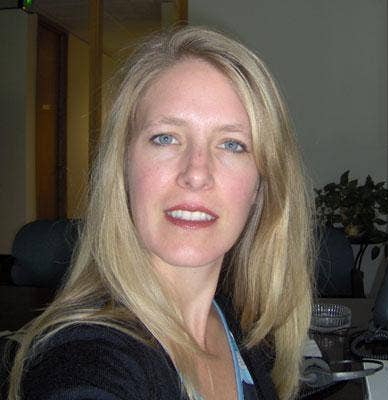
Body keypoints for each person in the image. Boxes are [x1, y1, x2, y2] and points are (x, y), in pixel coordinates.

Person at [6, 26, 314, 400]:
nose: (196, 174)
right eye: (165, 138)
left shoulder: (237, 326)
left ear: (261, 186)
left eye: (232, 144)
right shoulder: (86, 358)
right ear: (123, 168)